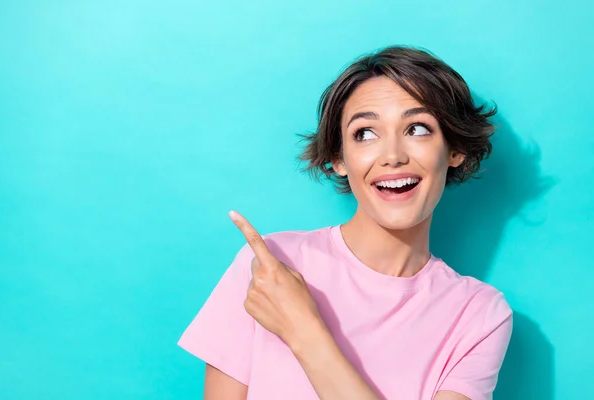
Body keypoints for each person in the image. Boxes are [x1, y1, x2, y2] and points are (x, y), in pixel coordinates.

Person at [177, 45, 513, 400]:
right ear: (339, 158)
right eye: (365, 133)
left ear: (454, 149)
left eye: (417, 128)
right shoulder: (269, 266)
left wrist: (304, 330)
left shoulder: (480, 316)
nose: (394, 156)